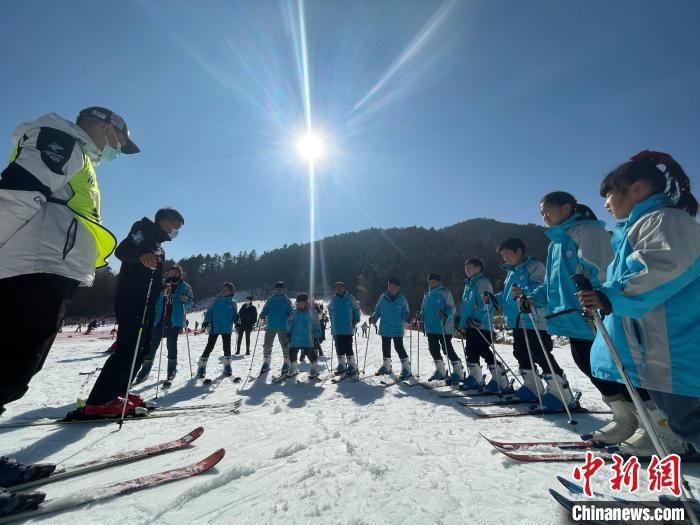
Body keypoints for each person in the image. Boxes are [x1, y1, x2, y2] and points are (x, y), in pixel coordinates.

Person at [0, 106, 140, 501]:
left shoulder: (78, 155)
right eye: (119, 141)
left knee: (13, 366)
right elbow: (16, 192)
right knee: (9, 365)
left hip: (48, 267)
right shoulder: (62, 141)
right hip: (33, 266)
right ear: (106, 126)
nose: (117, 149)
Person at [578, 150, 700, 454]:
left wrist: (611, 296)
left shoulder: (666, 220)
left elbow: (663, 267)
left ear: (637, 188)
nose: (605, 203)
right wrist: (604, 296)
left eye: (609, 194)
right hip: (658, 350)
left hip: (674, 348)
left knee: (689, 423)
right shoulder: (639, 227)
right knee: (685, 423)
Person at [517, 191, 642, 441]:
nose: (544, 216)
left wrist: (602, 298)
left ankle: (651, 423)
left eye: (547, 210)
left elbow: (605, 270)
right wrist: (534, 297)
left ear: (566, 208)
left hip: (593, 315)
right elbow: (554, 285)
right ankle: (625, 420)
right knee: (590, 366)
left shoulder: (587, 232)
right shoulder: (556, 243)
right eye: (541, 213)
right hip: (569, 317)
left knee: (615, 367)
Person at [76, 208, 184, 418]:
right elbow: (123, 250)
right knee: (128, 348)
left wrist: (162, 286)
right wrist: (140, 255)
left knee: (142, 349)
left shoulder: (159, 246)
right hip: (132, 300)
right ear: (163, 221)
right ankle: (99, 401)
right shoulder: (143, 229)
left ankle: (118, 392)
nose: (175, 232)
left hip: (148, 303)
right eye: (175, 226)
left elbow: (148, 276)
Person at [485, 238, 563, 403]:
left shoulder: (535, 266)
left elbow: (543, 288)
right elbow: (508, 296)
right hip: (517, 320)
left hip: (534, 319)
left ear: (518, 251)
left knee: (540, 354)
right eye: (503, 255)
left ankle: (561, 392)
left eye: (507, 254)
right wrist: (494, 298)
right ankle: (532, 387)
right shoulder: (511, 272)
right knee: (521, 353)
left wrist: (524, 291)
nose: (505, 258)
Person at [133, 265, 193, 383]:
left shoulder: (185, 287)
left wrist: (185, 300)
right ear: (167, 274)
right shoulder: (161, 284)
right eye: (171, 273)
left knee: (171, 345)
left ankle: (171, 370)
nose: (173, 275)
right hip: (159, 319)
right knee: (152, 345)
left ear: (180, 274)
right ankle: (145, 370)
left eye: (175, 273)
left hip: (174, 320)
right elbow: (151, 299)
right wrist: (160, 293)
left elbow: (190, 304)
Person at [458, 258, 508, 393]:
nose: (467, 270)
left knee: (483, 350)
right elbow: (466, 306)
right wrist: (462, 321)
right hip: (470, 324)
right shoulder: (469, 284)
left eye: (470, 267)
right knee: (471, 351)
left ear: (478, 268)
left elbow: (486, 303)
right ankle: (475, 377)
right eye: (466, 268)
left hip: (481, 324)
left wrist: (477, 319)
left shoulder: (482, 282)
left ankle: (500, 379)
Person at [419, 273, 464, 383]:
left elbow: (452, 309)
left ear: (439, 282)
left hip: (444, 327)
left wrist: (445, 314)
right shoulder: (427, 294)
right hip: (430, 327)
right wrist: (421, 315)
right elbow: (423, 309)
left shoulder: (445, 292)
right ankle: (440, 370)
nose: (431, 283)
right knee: (433, 349)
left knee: (447, 349)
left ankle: (458, 370)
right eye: (429, 281)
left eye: (434, 281)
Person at [369, 278, 412, 379]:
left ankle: (406, 368)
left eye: (394, 286)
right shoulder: (383, 297)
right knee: (385, 346)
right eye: (390, 286)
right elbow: (378, 310)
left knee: (399, 347)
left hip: (397, 327)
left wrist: (408, 318)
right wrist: (374, 318)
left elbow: (405, 312)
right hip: (385, 326)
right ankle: (387, 366)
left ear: (398, 288)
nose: (391, 288)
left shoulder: (402, 299)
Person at [196, 282, 237, 378]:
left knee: (227, 347)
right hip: (215, 327)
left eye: (226, 290)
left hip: (227, 328)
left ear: (231, 291)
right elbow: (209, 312)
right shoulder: (215, 301)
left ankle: (227, 366)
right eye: (222, 289)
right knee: (209, 346)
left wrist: (237, 321)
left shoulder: (233, 303)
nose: (223, 291)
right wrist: (206, 321)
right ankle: (201, 366)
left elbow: (234, 315)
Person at [259, 282, 293, 375]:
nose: (279, 290)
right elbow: (265, 309)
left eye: (281, 288)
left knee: (285, 345)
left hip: (283, 326)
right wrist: (262, 314)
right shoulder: (270, 299)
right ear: (275, 289)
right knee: (267, 344)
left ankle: (286, 362)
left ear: (284, 289)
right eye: (277, 288)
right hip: (271, 325)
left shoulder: (287, 300)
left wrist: (291, 315)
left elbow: (291, 311)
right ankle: (266, 362)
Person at [328, 282, 361, 377]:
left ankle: (352, 365)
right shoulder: (333, 299)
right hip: (336, 327)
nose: (338, 289)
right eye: (336, 287)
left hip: (347, 327)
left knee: (347, 346)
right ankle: (341, 364)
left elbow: (356, 309)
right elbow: (330, 309)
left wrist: (355, 320)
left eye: (340, 287)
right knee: (338, 346)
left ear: (344, 288)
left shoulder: (350, 298)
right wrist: (332, 318)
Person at [287, 294, 322, 379]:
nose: (301, 304)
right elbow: (291, 324)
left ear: (306, 303)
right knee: (292, 351)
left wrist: (317, 332)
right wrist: (289, 333)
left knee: (309, 352)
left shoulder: (311, 312)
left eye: (303, 303)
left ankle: (314, 368)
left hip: (308, 336)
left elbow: (316, 323)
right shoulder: (294, 312)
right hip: (296, 336)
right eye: (299, 303)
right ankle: (293, 367)